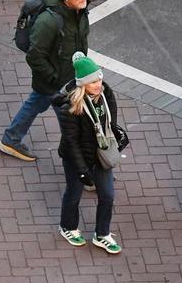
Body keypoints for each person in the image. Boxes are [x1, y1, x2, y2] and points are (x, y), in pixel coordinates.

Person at [0, 0, 90, 162]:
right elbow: (34, 56)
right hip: (58, 84)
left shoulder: (80, 12)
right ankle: (83, 167)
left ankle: (10, 139)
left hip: (67, 78)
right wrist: (55, 78)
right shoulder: (48, 22)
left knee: (36, 103)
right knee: (71, 125)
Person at [52, 53, 127, 254]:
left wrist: (115, 132)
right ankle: (67, 227)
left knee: (108, 195)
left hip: (99, 154)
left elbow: (109, 121)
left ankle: (102, 234)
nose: (98, 84)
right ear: (83, 84)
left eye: (99, 78)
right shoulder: (72, 107)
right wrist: (83, 170)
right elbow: (71, 142)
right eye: (93, 81)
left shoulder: (106, 94)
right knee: (74, 192)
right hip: (76, 157)